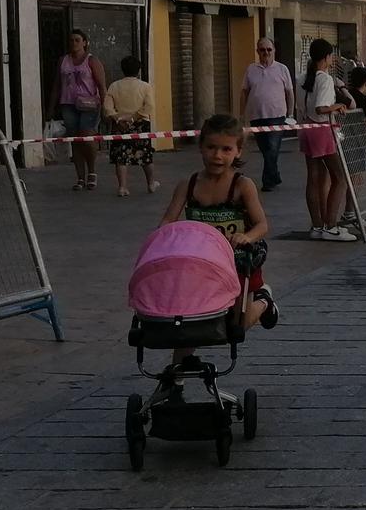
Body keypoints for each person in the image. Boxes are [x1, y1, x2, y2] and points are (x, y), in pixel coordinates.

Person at [160, 113, 277, 333]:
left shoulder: (243, 185)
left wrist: (247, 237)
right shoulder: (189, 184)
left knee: (237, 325)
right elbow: (168, 219)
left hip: (239, 260)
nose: (217, 155)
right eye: (211, 147)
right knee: (186, 314)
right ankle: (182, 361)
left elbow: (262, 225)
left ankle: (263, 301)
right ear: (201, 147)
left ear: (238, 151)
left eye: (226, 149)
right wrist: (161, 238)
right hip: (199, 261)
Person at [298, 40, 356, 243]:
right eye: (331, 56)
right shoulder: (325, 80)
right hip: (321, 129)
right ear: (326, 57)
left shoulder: (302, 78)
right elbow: (321, 108)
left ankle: (316, 225)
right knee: (340, 177)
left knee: (313, 177)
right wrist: (337, 105)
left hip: (305, 128)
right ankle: (331, 226)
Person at [50, 29, 106, 192]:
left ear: (84, 42)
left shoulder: (92, 61)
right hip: (68, 104)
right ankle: (80, 177)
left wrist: (105, 107)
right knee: (74, 139)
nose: (74, 43)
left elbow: (101, 86)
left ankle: (92, 171)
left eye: (77, 40)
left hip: (89, 104)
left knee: (86, 137)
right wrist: (51, 107)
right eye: (71, 40)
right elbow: (57, 85)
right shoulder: (63, 61)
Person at [239, 39, 295, 193]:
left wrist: (290, 113)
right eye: (262, 50)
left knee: (272, 147)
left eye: (269, 50)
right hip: (257, 116)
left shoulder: (282, 69)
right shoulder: (251, 69)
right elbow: (244, 92)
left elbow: (289, 92)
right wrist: (241, 115)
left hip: (277, 115)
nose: (266, 53)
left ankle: (267, 181)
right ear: (258, 51)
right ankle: (275, 175)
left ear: (274, 50)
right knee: (266, 149)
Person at [101, 56, 159, 198]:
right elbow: (149, 106)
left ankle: (122, 187)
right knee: (145, 155)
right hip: (140, 124)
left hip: (119, 125)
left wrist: (117, 118)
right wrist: (134, 117)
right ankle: (151, 183)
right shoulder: (145, 86)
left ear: (123, 70)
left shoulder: (114, 86)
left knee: (121, 157)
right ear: (138, 71)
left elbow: (107, 107)